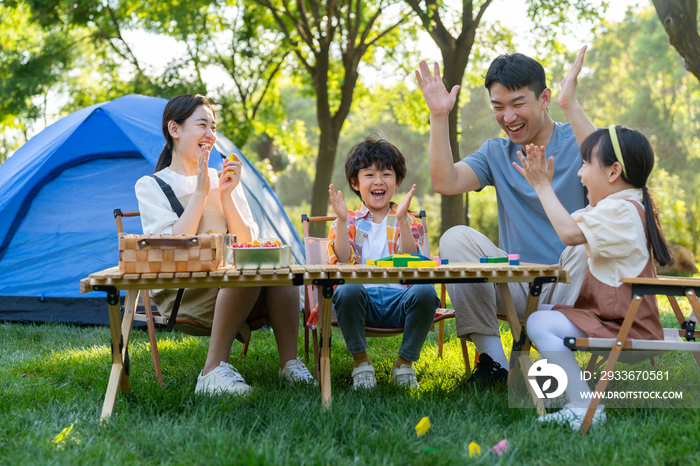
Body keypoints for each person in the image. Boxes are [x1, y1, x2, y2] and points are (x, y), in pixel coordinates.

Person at [415, 48, 592, 387]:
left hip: (575, 285)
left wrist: (572, 104)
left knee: (585, 245)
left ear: (544, 98)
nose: (508, 116)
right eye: (498, 107)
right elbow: (445, 182)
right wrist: (439, 116)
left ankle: (553, 353)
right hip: (521, 287)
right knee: (455, 237)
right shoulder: (497, 153)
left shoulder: (577, 139)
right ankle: (493, 363)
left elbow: (614, 166)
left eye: (517, 103)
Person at [135, 94, 315, 396]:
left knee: (277, 266)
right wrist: (202, 192)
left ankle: (290, 364)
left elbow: (248, 243)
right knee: (243, 272)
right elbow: (171, 249)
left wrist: (228, 196)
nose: (211, 134)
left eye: (213, 127)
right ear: (175, 130)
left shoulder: (225, 180)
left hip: (234, 287)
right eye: (202, 125)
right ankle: (211, 371)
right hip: (183, 290)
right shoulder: (152, 185)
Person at [516, 120, 673, 429]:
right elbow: (569, 223)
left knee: (538, 321)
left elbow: (569, 233)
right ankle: (561, 389)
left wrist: (543, 186)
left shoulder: (622, 210)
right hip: (618, 319)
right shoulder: (619, 206)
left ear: (613, 172)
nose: (579, 173)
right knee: (544, 313)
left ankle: (583, 406)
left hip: (626, 326)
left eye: (586, 163)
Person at [326, 135, 440, 389]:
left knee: (426, 292)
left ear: (397, 181)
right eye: (369, 175)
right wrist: (343, 221)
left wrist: (401, 221)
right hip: (361, 302)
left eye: (386, 174)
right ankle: (362, 364)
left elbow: (412, 261)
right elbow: (343, 261)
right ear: (355, 183)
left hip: (401, 301)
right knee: (347, 289)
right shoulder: (349, 221)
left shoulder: (408, 220)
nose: (378, 181)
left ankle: (404, 364)